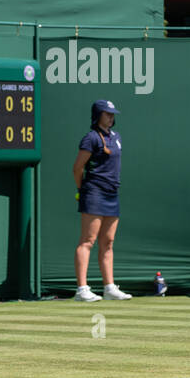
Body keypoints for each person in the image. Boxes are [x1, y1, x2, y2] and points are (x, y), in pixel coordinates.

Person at [72, 100, 131, 301]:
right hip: (94, 192)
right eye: (107, 114)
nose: (111, 117)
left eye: (113, 114)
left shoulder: (116, 137)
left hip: (112, 194)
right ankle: (82, 290)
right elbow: (77, 168)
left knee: (108, 242)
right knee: (87, 241)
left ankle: (109, 287)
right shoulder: (90, 138)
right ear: (98, 116)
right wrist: (82, 190)